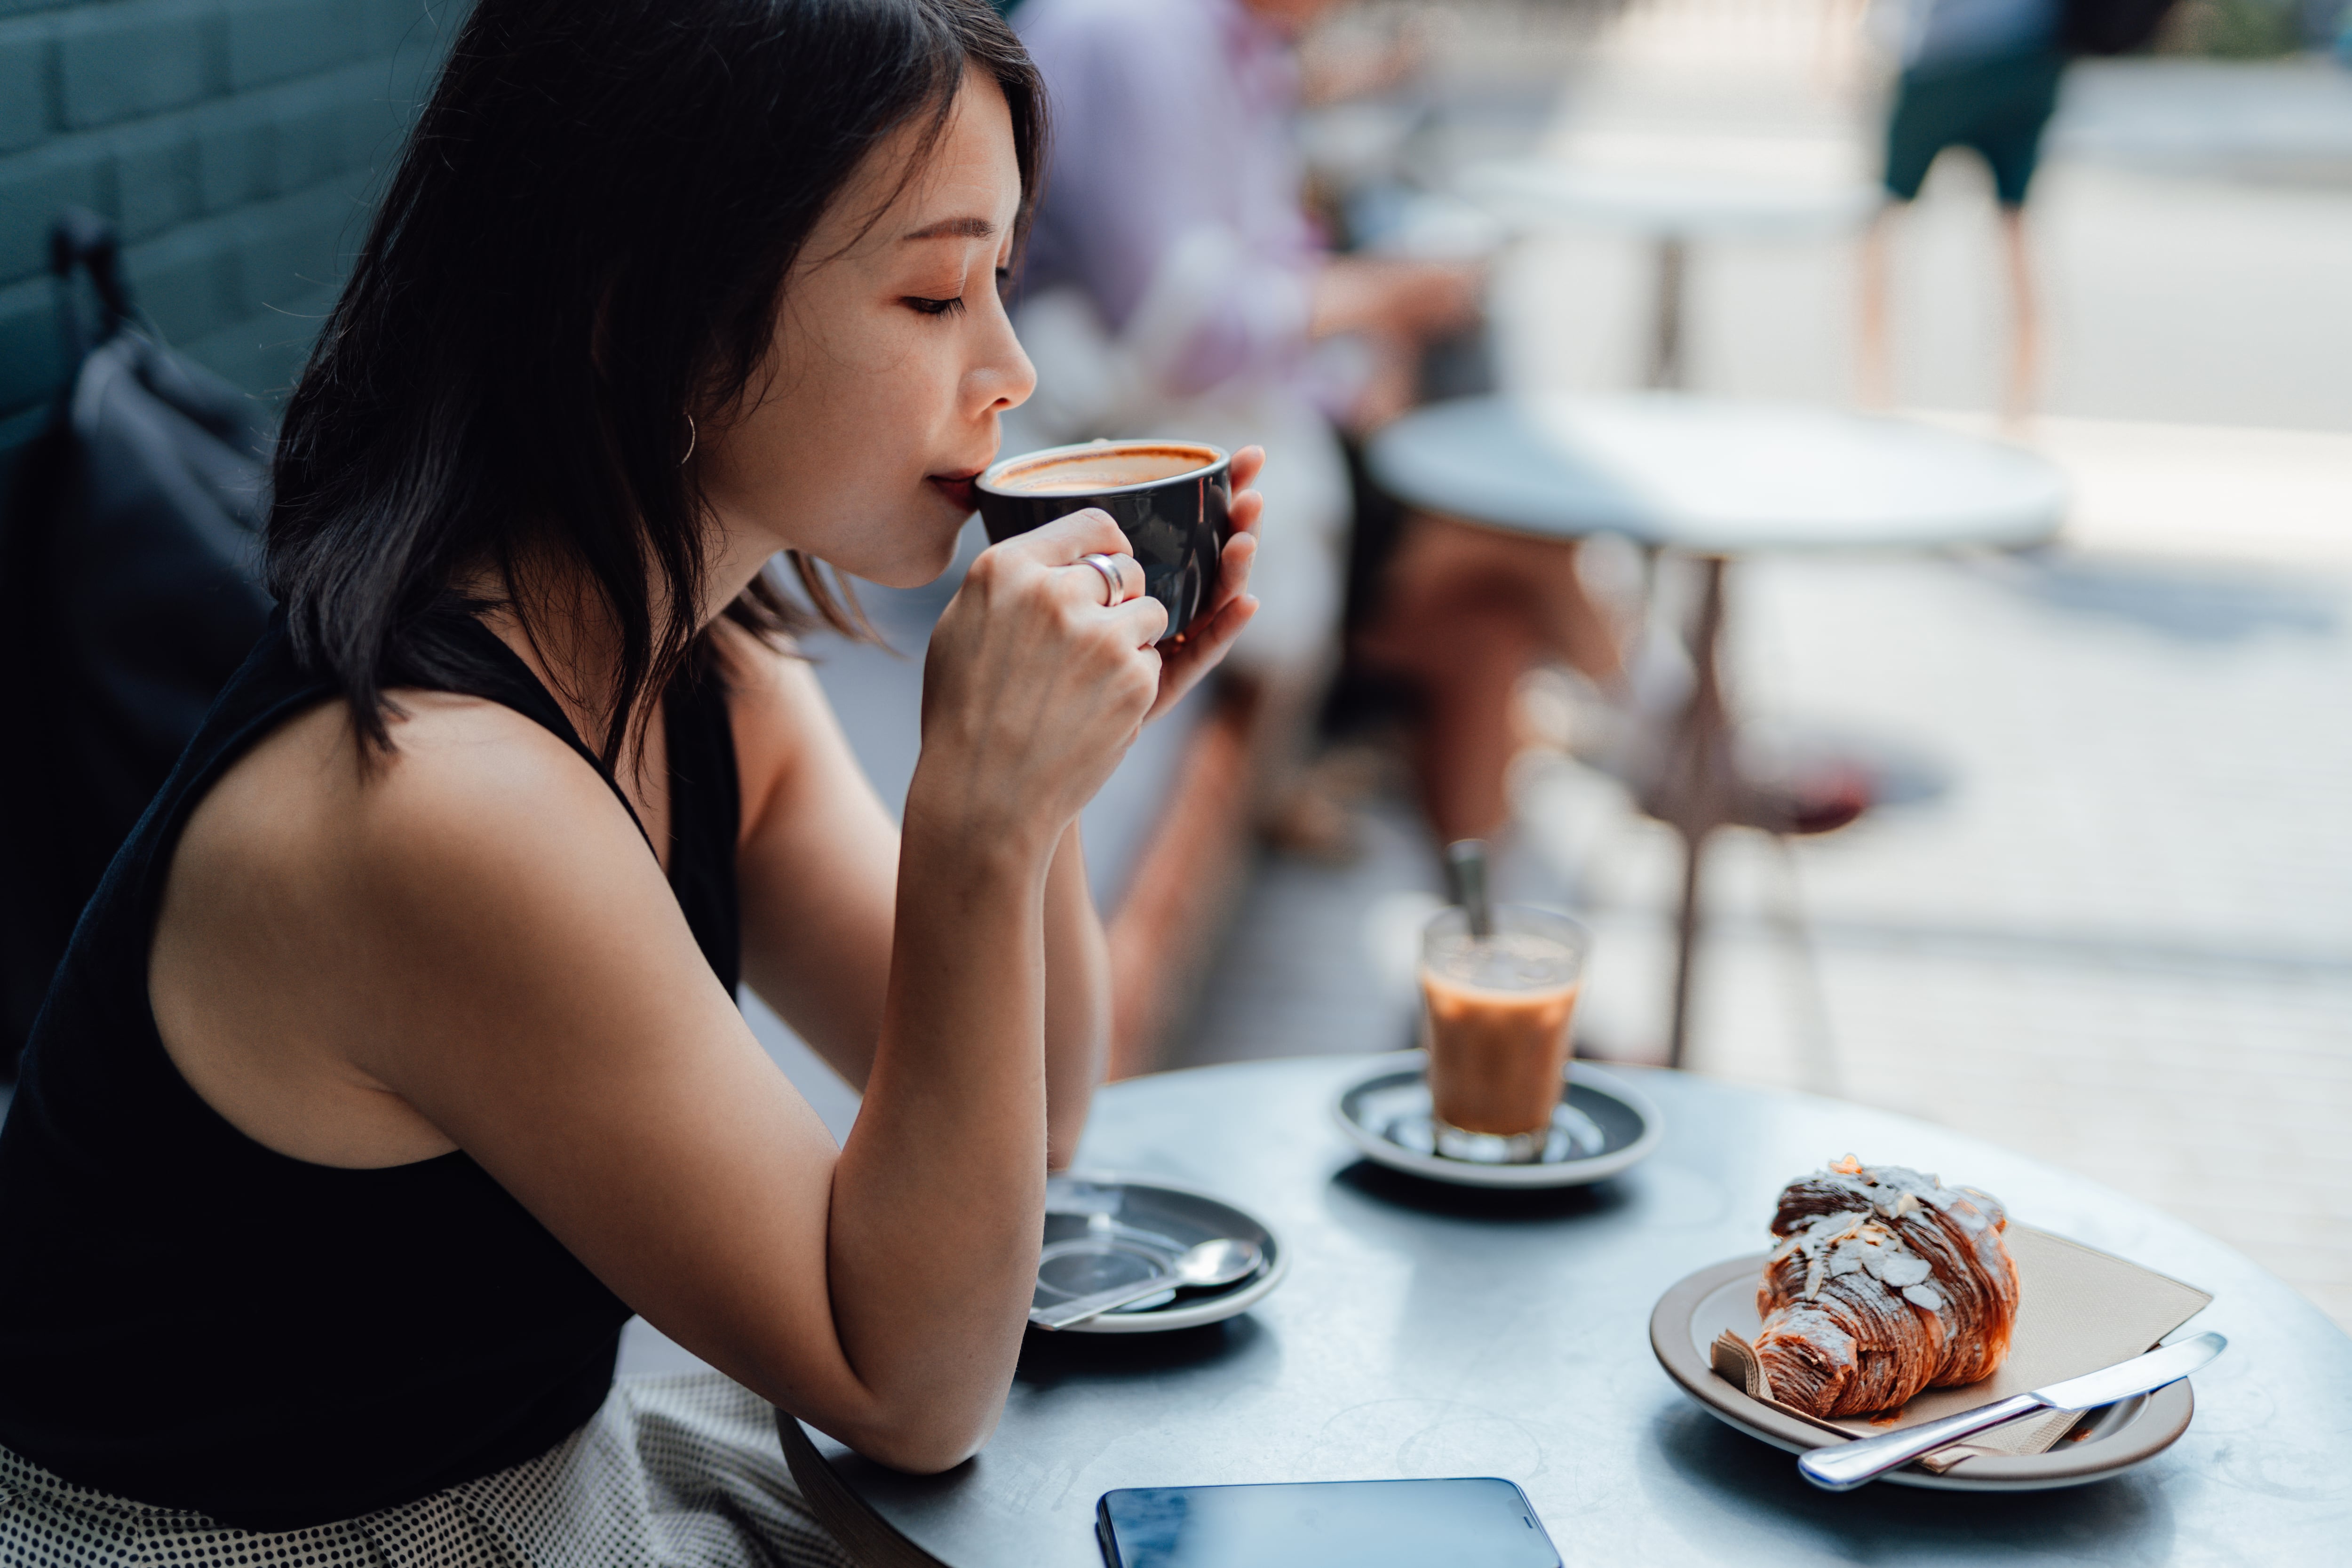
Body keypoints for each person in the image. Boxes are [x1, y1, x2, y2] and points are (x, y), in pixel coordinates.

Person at [0, 2, 1263, 1563]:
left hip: (526, 1487)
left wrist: (1054, 767)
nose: (1005, 369)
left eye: (1002, 278)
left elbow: (1040, 1118)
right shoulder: (441, 806)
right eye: (935, 291)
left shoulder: (709, 669)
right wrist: (976, 826)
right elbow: (912, 1380)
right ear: (647, 315)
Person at [1010, 0, 1491, 854]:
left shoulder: (1226, 44)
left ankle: (1483, 934)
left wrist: (1360, 345)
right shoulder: (1141, 37)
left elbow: (1256, 269)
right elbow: (1181, 332)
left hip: (1199, 415)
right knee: (1493, 566)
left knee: (1493, 598)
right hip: (1111, 428)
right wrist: (1382, 299)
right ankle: (1668, 740)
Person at [1859, 0, 2068, 428]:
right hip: (2033, 56)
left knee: (1882, 227)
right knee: (2016, 231)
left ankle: (1875, 403)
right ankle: (2020, 413)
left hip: (1944, 60)